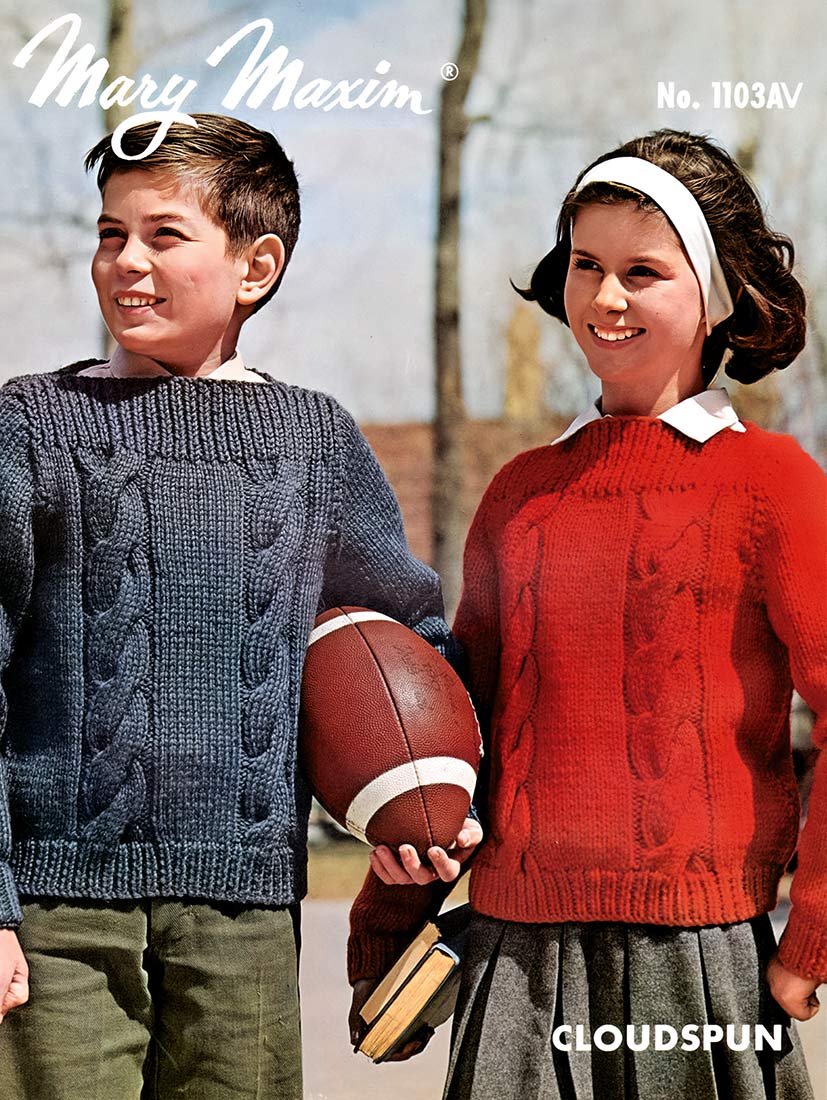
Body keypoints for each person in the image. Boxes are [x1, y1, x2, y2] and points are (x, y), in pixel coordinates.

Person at [0, 113, 475, 1100]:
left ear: (255, 265)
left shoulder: (314, 441)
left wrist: (432, 797)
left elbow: (406, 641)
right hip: (52, 914)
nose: (125, 261)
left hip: (245, 915)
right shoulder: (32, 426)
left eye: (163, 235)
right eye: (109, 233)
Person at [348, 129, 825, 1099]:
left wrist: (809, 936)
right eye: (585, 265)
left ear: (716, 293)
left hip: (696, 955)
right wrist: (385, 930)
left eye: (641, 272)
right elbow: (457, 739)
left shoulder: (771, 483)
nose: (605, 298)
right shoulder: (520, 493)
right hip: (512, 957)